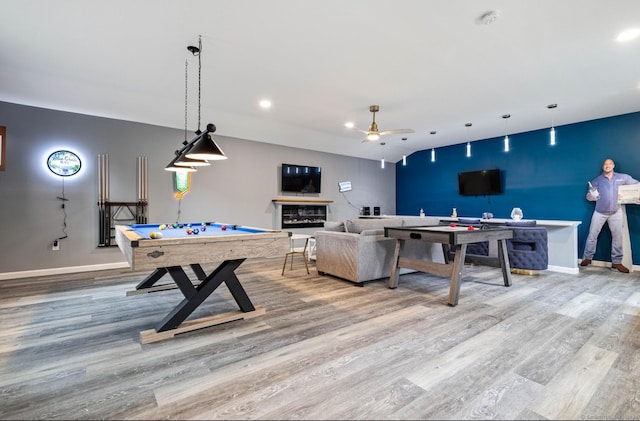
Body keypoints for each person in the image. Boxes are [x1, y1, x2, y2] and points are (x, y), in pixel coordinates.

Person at [580, 158, 639, 273]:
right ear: (603, 167)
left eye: (609, 164)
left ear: (613, 165)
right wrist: (592, 196)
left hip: (616, 212)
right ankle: (587, 258)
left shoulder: (623, 177)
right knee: (592, 235)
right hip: (599, 212)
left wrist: (638, 197)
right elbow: (588, 196)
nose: (607, 166)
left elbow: (637, 185)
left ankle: (616, 263)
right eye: (605, 164)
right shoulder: (596, 180)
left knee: (618, 237)